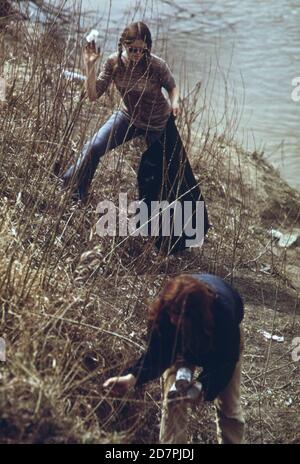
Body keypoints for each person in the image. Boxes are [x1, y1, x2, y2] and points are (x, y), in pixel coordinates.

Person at [103, 274, 245, 444]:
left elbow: (224, 364)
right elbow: (156, 354)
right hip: (180, 346)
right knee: (174, 400)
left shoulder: (223, 315)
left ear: (195, 314)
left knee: (229, 408)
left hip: (220, 348)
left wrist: (202, 387)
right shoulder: (166, 310)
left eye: (179, 315)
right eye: (171, 313)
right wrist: (131, 378)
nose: (172, 319)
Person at [62, 21, 180, 200]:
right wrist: (90, 66)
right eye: (133, 49)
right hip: (128, 117)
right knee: (94, 147)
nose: (137, 54)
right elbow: (93, 95)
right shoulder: (114, 63)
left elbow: (172, 87)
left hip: (157, 123)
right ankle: (73, 190)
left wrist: (175, 103)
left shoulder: (156, 65)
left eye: (143, 50)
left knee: (166, 170)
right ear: (124, 45)